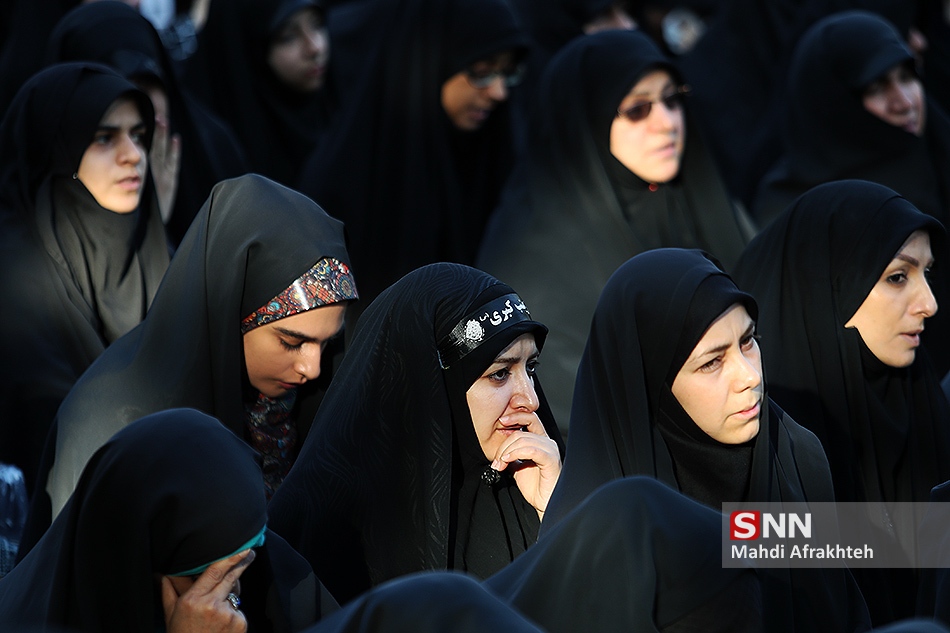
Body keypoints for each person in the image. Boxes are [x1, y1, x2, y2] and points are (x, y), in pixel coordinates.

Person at [19, 173, 357, 556]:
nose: (312, 368)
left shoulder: (295, 407)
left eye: (327, 344)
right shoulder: (118, 426)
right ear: (230, 312)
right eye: (290, 342)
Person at [541, 247, 870, 632]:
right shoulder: (594, 530)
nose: (749, 376)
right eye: (712, 362)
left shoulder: (795, 456)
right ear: (654, 388)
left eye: (749, 341)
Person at [477, 29, 753, 433]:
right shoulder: (538, 254)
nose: (667, 123)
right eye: (638, 108)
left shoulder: (701, 199)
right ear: (587, 121)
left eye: (673, 99)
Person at [269, 262, 564, 604]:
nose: (529, 399)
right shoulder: (322, 527)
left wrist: (555, 514)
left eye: (531, 368)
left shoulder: (531, 483)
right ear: (435, 384)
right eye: (499, 374)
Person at [734, 179, 950, 624]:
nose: (929, 303)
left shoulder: (922, 396)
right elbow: (742, 544)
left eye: (927, 273)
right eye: (897, 276)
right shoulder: (749, 433)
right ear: (826, 286)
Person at [0, 408, 336, 632]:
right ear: (132, 563)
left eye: (246, 561)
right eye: (199, 577)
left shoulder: (276, 572)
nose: (231, 597)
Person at [0, 62, 169, 500]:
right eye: (103, 137)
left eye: (139, 135)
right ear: (57, 152)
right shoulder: (15, 282)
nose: (133, 154)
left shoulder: (155, 255)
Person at [295, 0, 529, 315]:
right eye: (482, 71)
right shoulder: (345, 181)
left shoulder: (497, 160)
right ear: (431, 61)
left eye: (507, 72)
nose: (498, 91)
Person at [47, 0, 250, 246]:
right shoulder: (42, 225)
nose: (132, 154)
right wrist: (151, 225)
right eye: (105, 138)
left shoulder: (211, 149)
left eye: (147, 84)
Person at [752, 11, 950, 230]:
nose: (904, 103)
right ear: (834, 104)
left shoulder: (938, 147)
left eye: (907, 77)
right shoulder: (796, 215)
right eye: (876, 88)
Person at [181, 0, 330, 187]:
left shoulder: (339, 110)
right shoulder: (215, 153)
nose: (314, 47)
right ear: (250, 50)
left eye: (317, 24)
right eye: (288, 36)